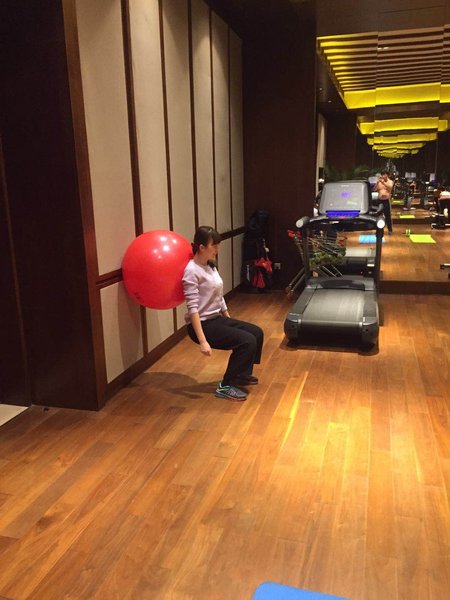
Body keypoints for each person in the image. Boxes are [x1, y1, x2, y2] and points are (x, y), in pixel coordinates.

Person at [182, 226, 264, 401]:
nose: (217, 249)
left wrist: (228, 318)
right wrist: (203, 341)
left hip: (216, 319)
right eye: (214, 245)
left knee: (256, 333)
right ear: (201, 247)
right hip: (202, 325)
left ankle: (241, 374)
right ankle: (226, 386)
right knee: (247, 341)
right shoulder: (191, 271)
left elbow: (218, 296)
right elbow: (193, 308)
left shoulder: (210, 266)